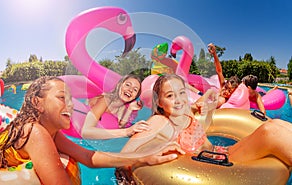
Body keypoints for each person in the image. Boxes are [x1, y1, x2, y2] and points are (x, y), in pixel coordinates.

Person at [0, 76, 185, 185]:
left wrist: (143, 156)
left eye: (70, 98)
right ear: (37, 103)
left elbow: (88, 156)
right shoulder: (35, 132)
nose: (70, 104)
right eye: (61, 98)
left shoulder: (52, 133)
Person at [116, 74, 292, 184]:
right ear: (159, 102)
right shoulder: (159, 121)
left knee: (275, 125)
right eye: (170, 96)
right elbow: (122, 156)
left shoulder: (186, 113)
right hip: (218, 165)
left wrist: (207, 100)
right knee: (271, 132)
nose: (178, 100)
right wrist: (143, 161)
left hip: (222, 152)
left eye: (182, 93)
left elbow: (201, 103)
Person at [82, 75, 150, 139]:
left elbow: (120, 126)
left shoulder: (121, 107)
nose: (130, 90)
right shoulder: (105, 100)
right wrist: (127, 131)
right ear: (119, 85)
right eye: (128, 85)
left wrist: (130, 109)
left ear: (135, 97)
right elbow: (85, 131)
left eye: (135, 90)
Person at [191, 43, 240, 111]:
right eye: (226, 87)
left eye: (229, 91)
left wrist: (205, 106)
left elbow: (216, 103)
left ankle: (192, 108)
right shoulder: (223, 86)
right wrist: (214, 54)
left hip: (204, 107)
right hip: (203, 101)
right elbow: (219, 71)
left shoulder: (223, 99)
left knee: (210, 92)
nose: (226, 91)